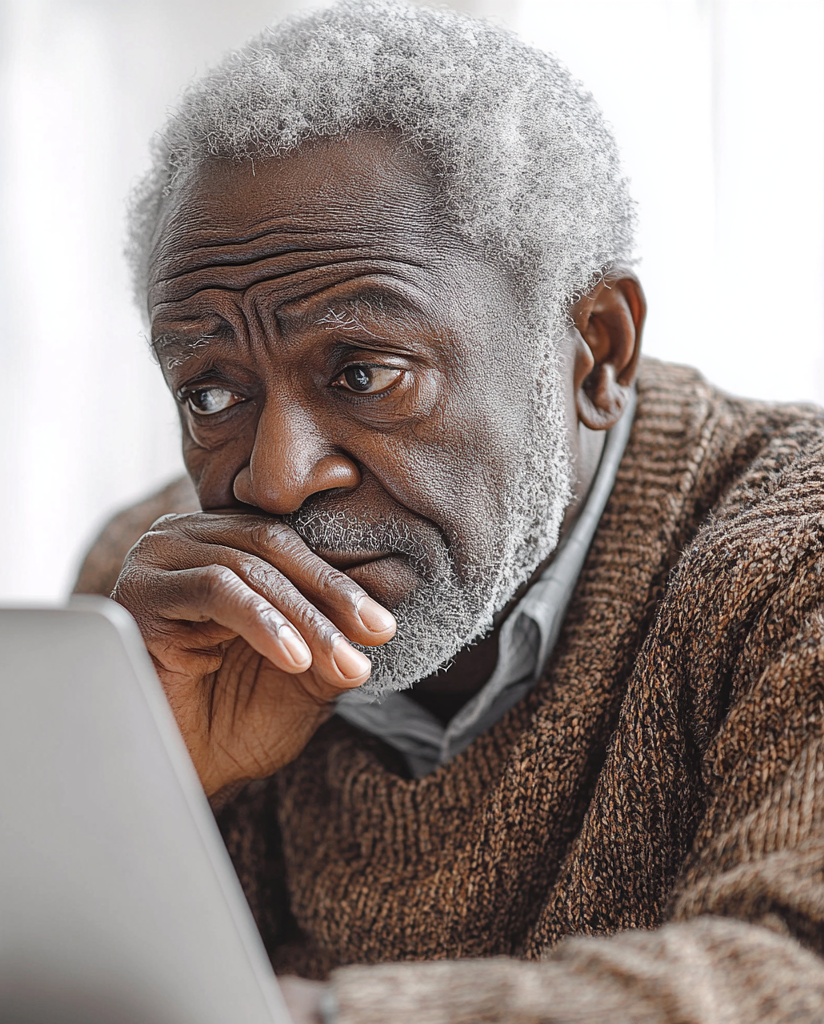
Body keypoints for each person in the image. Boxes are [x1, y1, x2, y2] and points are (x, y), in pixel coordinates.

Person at [75, 3, 824, 1020]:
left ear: (594, 351)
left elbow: (791, 974)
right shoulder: (162, 600)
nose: (274, 480)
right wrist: (141, 792)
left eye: (365, 371)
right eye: (211, 391)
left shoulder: (796, 550)